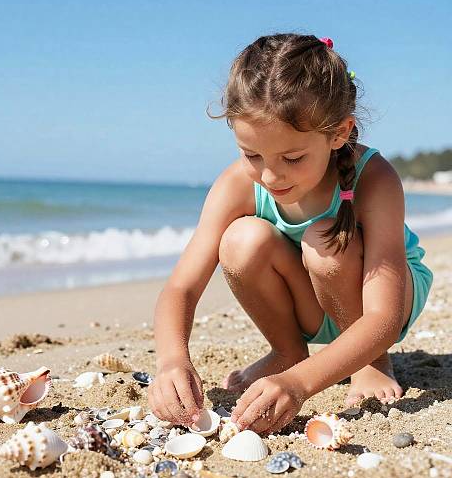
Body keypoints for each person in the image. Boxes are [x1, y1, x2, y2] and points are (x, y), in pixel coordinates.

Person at [147, 33, 433, 435]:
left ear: (338, 133)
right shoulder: (236, 185)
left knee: (324, 243)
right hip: (311, 301)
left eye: (293, 158)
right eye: (252, 155)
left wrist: (300, 386)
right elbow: (181, 287)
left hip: (382, 302)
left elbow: (383, 317)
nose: (270, 175)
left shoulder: (375, 178)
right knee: (241, 240)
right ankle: (287, 352)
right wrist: (172, 361)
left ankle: (371, 362)